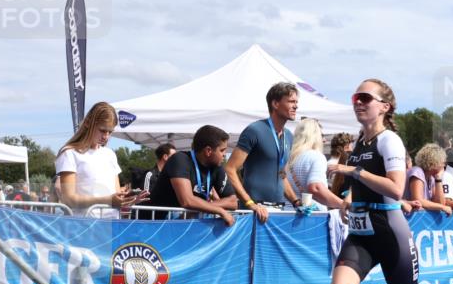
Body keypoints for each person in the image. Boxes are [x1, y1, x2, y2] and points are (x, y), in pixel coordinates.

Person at [327, 79, 445, 284]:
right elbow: (361, 186)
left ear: (385, 106)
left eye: (366, 97)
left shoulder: (388, 140)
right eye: (355, 97)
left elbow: (396, 188)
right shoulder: (357, 144)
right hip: (362, 236)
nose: (358, 102)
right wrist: (351, 200)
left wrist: (355, 172)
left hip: (391, 233)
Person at [225, 82, 301, 223]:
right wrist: (250, 203)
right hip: (254, 211)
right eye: (291, 101)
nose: (296, 106)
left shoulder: (289, 136)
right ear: (275, 104)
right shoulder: (255, 130)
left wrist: (296, 201)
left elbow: (281, 174)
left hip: (278, 210)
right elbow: (230, 169)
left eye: (296, 102)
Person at [55, 102, 146, 217]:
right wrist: (107, 200)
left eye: (110, 132)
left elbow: (116, 194)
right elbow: (69, 199)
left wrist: (127, 199)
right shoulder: (69, 153)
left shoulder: (110, 154)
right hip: (83, 228)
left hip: (110, 225)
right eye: (102, 130)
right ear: (88, 123)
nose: (106, 136)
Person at [146, 125, 236, 225]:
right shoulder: (180, 159)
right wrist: (220, 210)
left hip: (177, 224)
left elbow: (233, 202)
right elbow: (187, 201)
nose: (225, 154)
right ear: (208, 151)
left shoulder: (216, 167)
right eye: (222, 150)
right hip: (152, 224)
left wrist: (201, 207)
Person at [286, 118, 344, 211]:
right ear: (314, 136)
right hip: (312, 215)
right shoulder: (316, 156)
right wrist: (343, 204)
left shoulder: (288, 157)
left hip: (288, 212)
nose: (324, 140)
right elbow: (316, 188)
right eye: (321, 135)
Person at [404, 143, 452, 215]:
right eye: (442, 162)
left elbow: (440, 202)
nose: (444, 165)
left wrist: (438, 179)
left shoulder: (431, 178)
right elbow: (418, 200)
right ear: (434, 162)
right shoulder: (417, 172)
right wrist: (442, 207)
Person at [328, 132, 354, 198]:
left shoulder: (328, 163)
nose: (352, 149)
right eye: (351, 146)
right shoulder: (343, 165)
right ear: (346, 147)